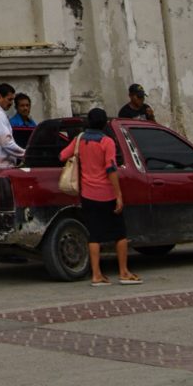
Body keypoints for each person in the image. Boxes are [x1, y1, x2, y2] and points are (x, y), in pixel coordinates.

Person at [62, 104, 137, 285]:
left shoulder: (79, 140)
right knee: (120, 233)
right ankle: (123, 272)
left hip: (87, 194)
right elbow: (111, 168)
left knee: (94, 235)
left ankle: (96, 275)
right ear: (104, 124)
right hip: (107, 194)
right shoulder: (107, 142)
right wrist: (118, 194)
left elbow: (62, 155)